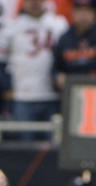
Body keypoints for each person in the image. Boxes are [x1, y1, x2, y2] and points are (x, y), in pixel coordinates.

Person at [0, 0, 67, 139]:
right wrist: (6, 87)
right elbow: (2, 61)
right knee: (26, 148)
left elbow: (65, 58)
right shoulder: (12, 26)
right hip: (23, 95)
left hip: (52, 94)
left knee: (54, 148)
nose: (35, 3)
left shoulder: (59, 24)